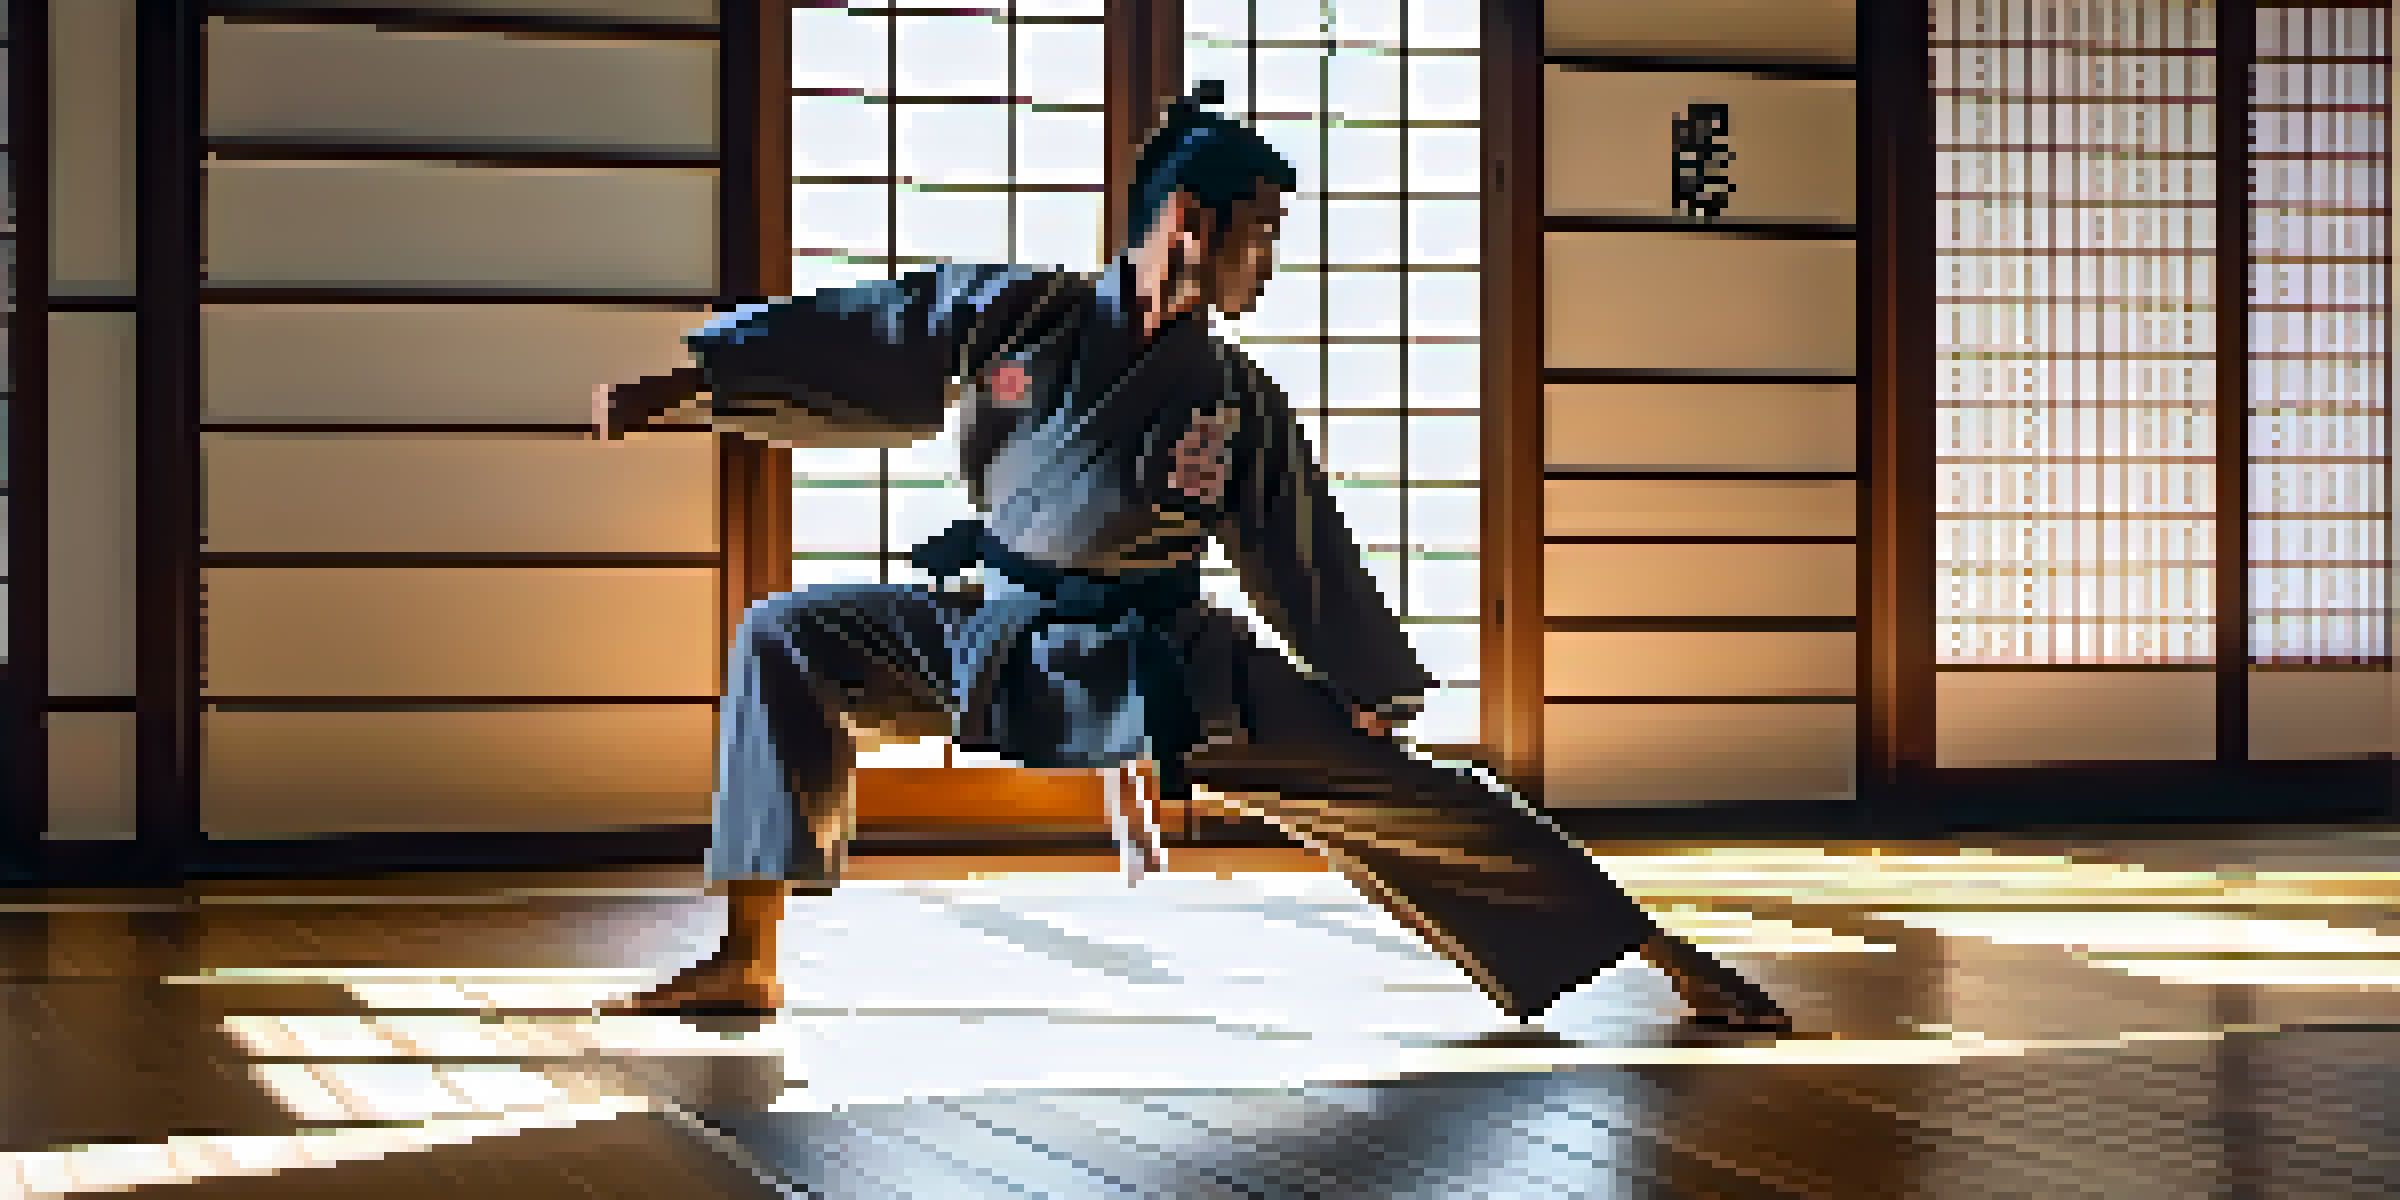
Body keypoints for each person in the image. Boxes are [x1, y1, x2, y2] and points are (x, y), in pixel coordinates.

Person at [589, 82, 1788, 1035]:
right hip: (989, 630)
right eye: (1261, 232)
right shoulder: (1026, 316)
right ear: (1191, 223)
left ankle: (1650, 947)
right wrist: (693, 385)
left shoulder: (1231, 398)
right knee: (785, 632)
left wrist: (1368, 688)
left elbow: (1297, 544)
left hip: (1159, 667)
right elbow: (871, 331)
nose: (1268, 258)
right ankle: (748, 961)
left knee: (1410, 793)